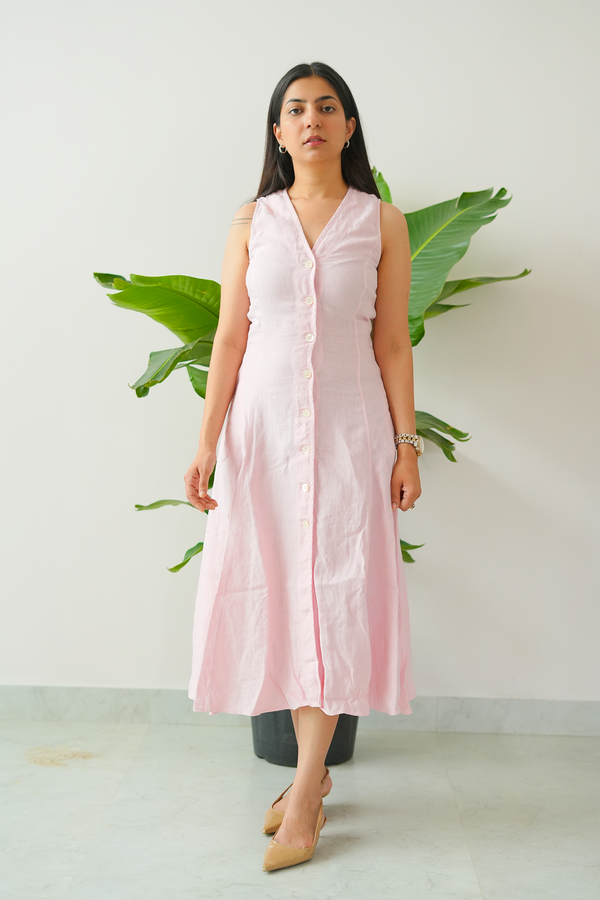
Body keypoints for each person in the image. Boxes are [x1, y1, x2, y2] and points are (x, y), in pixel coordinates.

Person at [184, 61, 421, 872]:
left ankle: (307, 791)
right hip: (261, 438)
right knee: (282, 594)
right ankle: (309, 786)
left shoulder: (382, 222)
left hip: (352, 438)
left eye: (328, 106)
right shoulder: (252, 223)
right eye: (296, 108)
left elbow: (392, 342)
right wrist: (208, 440)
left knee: (339, 599)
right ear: (278, 132)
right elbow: (228, 340)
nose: (312, 118)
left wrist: (406, 443)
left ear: (349, 126)